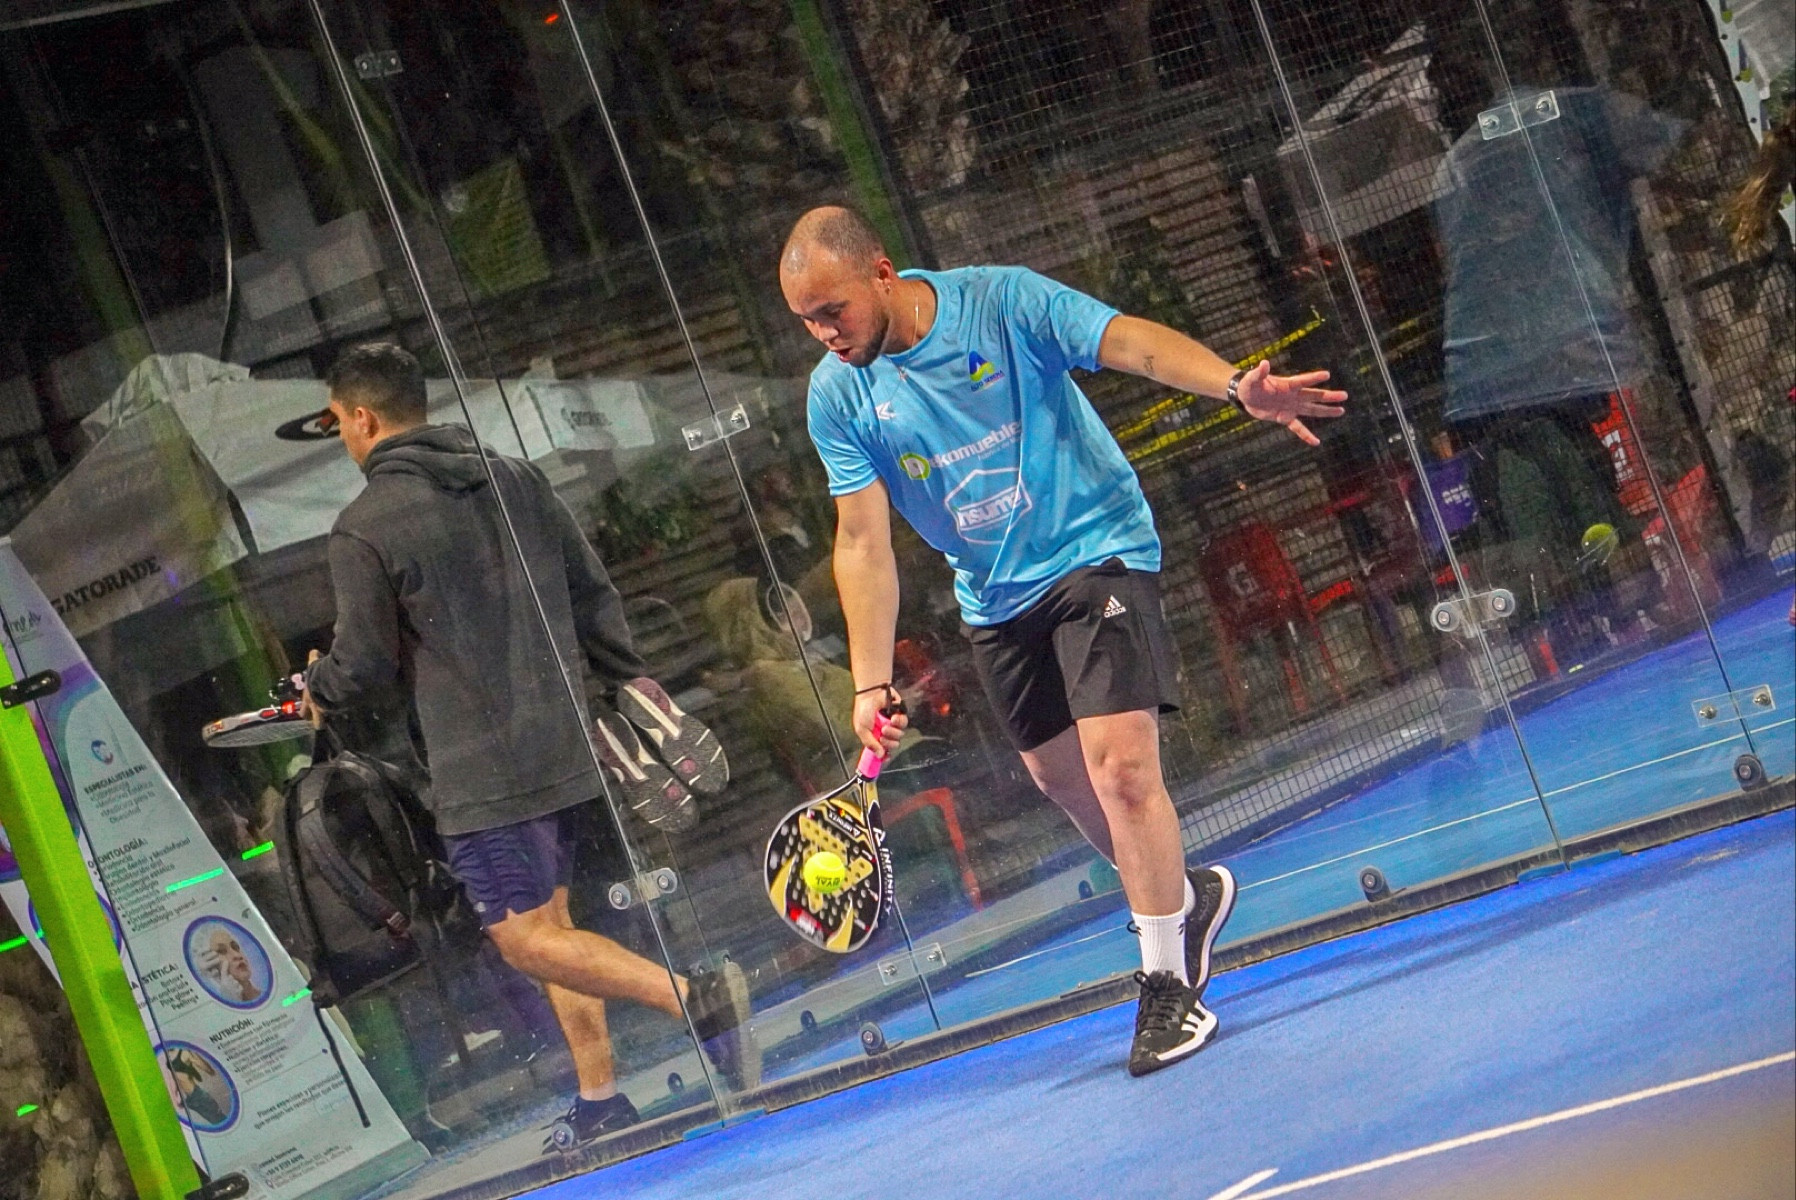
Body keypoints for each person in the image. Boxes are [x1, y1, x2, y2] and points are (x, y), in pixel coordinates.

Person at [778, 207, 1347, 1075]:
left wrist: (1236, 386)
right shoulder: (837, 394)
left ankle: (1167, 986)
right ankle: (1181, 899)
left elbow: (1130, 343)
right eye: (807, 321)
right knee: (1061, 778)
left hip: (1094, 549)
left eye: (833, 311)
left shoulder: (1002, 303)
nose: (824, 333)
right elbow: (861, 543)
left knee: (1121, 769)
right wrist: (866, 682)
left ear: (881, 274)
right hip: (994, 596)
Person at [302, 343, 753, 1147]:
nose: (341, 437)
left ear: (363, 418)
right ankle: (600, 1098)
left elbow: (363, 664)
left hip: (483, 769)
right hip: (568, 743)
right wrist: (624, 684)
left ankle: (693, 999)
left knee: (523, 941)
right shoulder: (515, 478)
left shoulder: (364, 526)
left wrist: (318, 687)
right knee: (554, 928)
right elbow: (591, 590)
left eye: (338, 422)